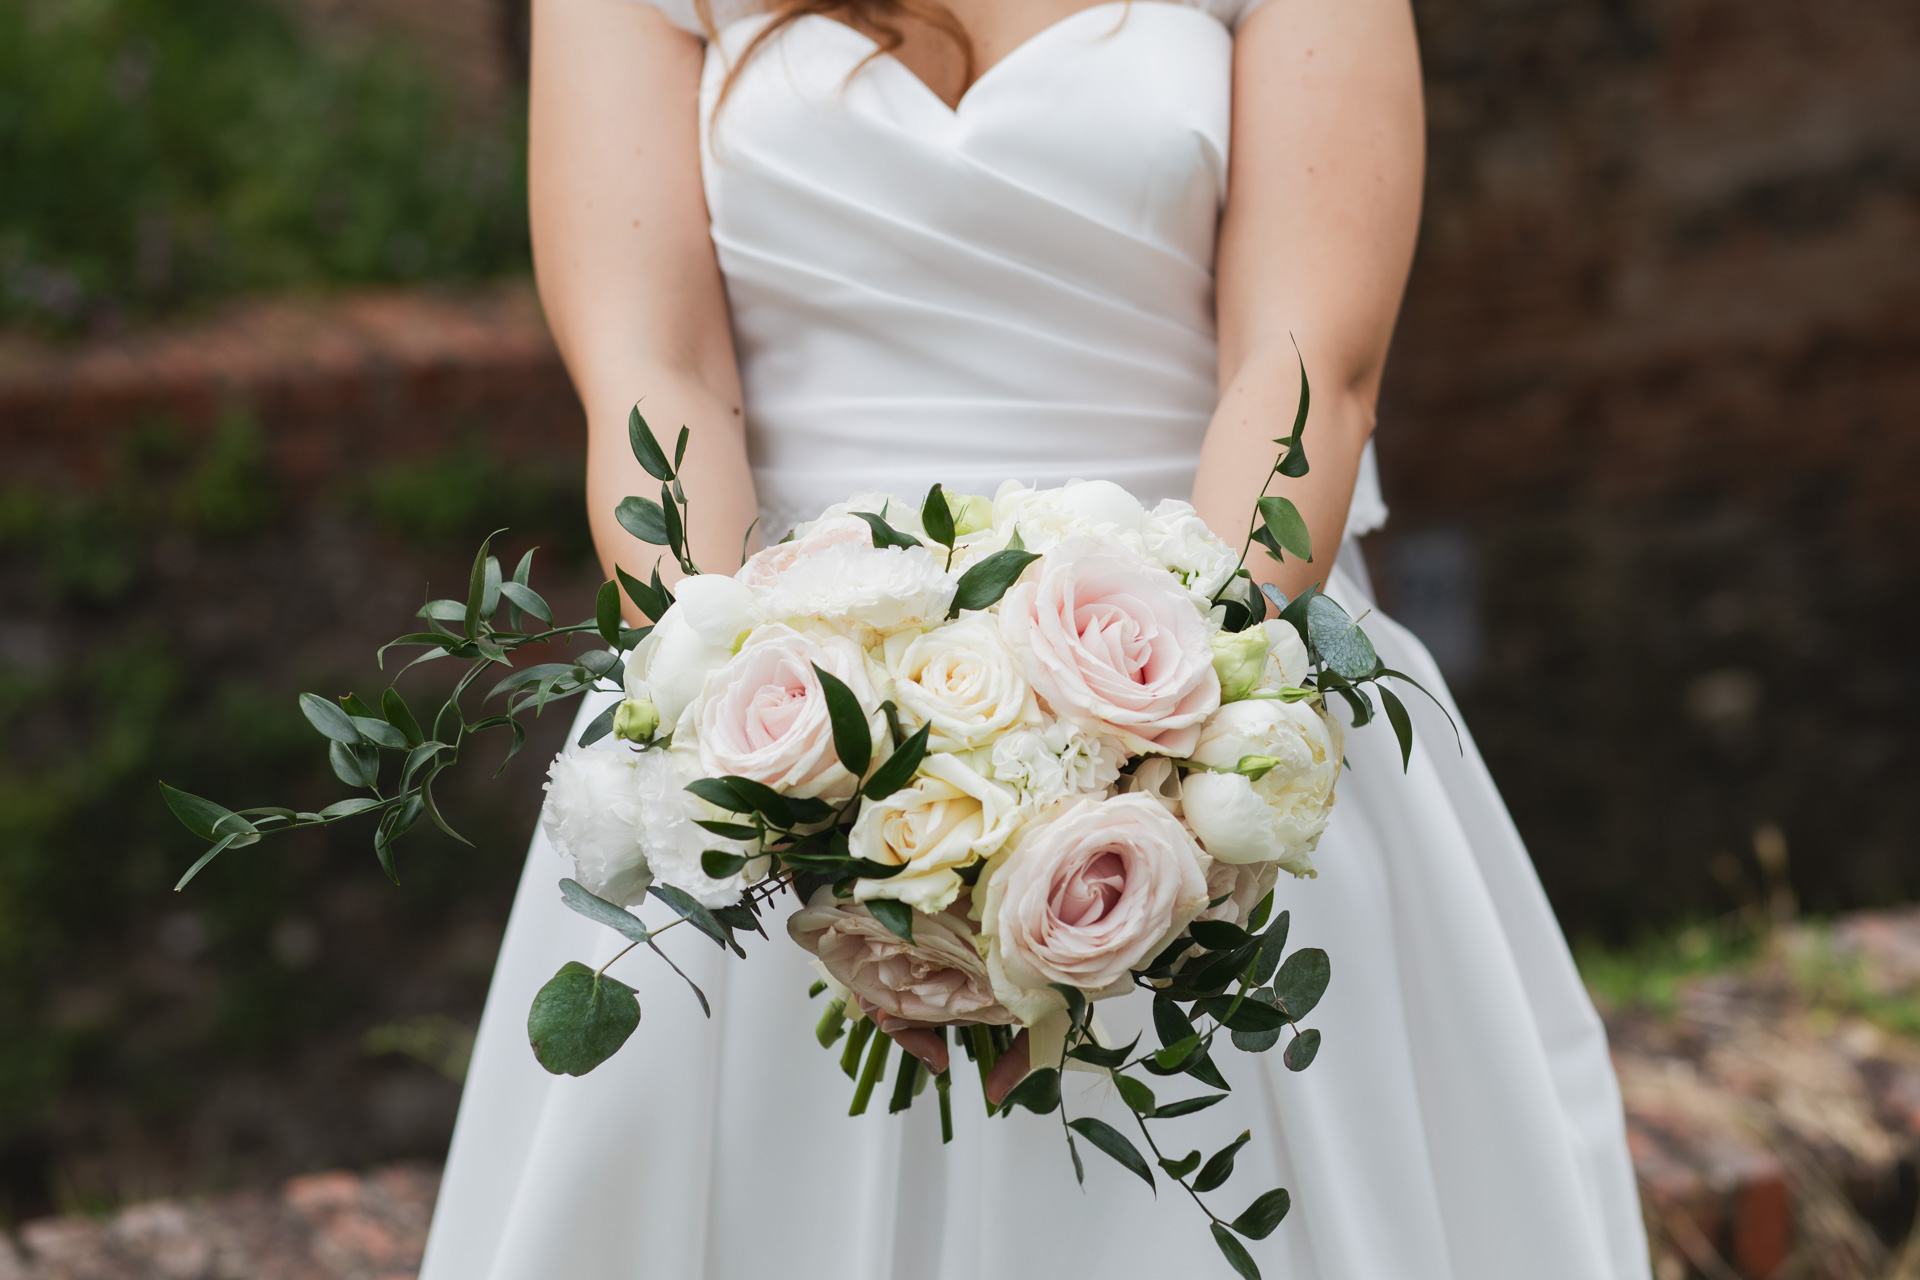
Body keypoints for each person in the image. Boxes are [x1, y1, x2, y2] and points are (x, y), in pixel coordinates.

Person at [419, 2, 1652, 1277]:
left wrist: (1169, 768)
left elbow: (1306, 372)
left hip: (1213, 666)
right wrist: (776, 797)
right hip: (787, 702)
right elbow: (651, 375)